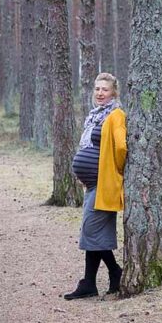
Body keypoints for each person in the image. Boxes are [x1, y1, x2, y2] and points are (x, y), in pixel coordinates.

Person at [64, 72, 127, 300]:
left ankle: (101, 277)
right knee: (94, 233)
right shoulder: (94, 116)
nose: (100, 93)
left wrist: (113, 171)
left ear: (114, 93)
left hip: (104, 184)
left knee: (91, 232)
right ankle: (101, 278)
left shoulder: (116, 115)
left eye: (105, 90)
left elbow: (120, 148)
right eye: (97, 89)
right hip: (92, 185)